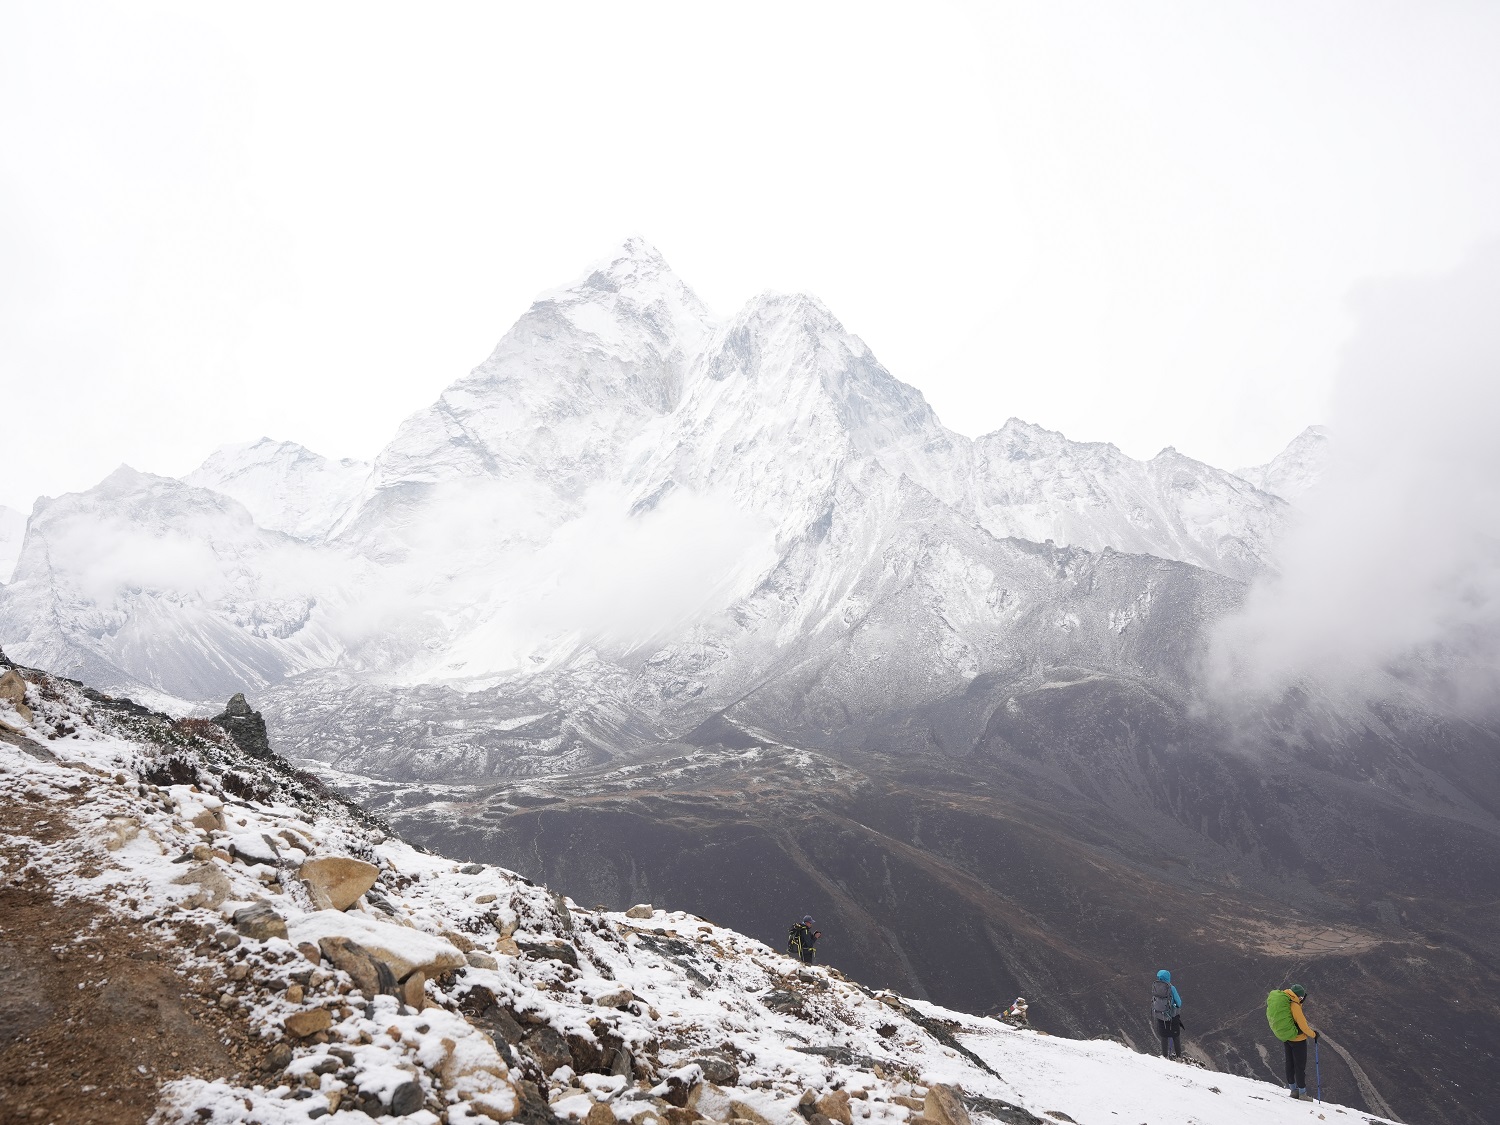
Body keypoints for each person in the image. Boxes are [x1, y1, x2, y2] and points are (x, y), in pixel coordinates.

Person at [1266, 983, 1319, 1099]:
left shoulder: (1284, 1001)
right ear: (1299, 996)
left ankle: (1293, 1090)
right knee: (1299, 1066)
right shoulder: (1294, 1005)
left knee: (1289, 1064)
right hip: (1298, 1039)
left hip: (1287, 1037)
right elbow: (1303, 1026)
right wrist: (1314, 1035)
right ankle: (1303, 1093)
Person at [1151, 969, 1184, 1058]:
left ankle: (1165, 1056)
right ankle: (1178, 1057)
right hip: (1172, 1015)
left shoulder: (1155, 986)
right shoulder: (1171, 988)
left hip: (1160, 1015)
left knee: (1164, 1036)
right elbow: (1179, 1002)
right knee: (1175, 1036)